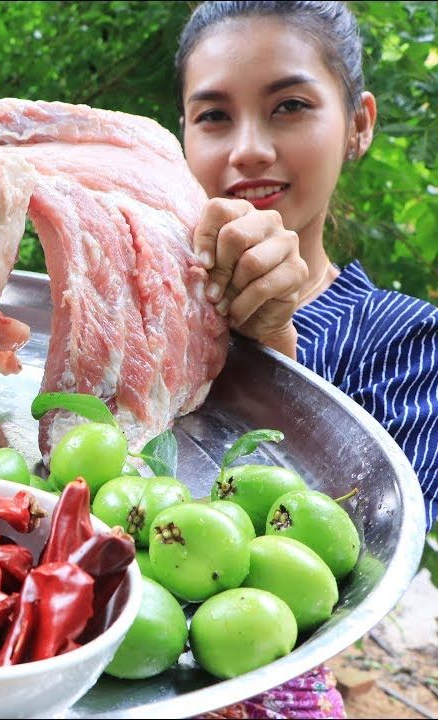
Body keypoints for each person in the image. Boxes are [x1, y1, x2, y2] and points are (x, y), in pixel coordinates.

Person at [175, 1, 438, 717]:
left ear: (358, 125)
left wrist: (270, 353)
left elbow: (346, 580)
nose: (249, 149)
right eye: (214, 116)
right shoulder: (130, 308)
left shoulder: (407, 341)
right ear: (183, 137)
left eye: (289, 106)